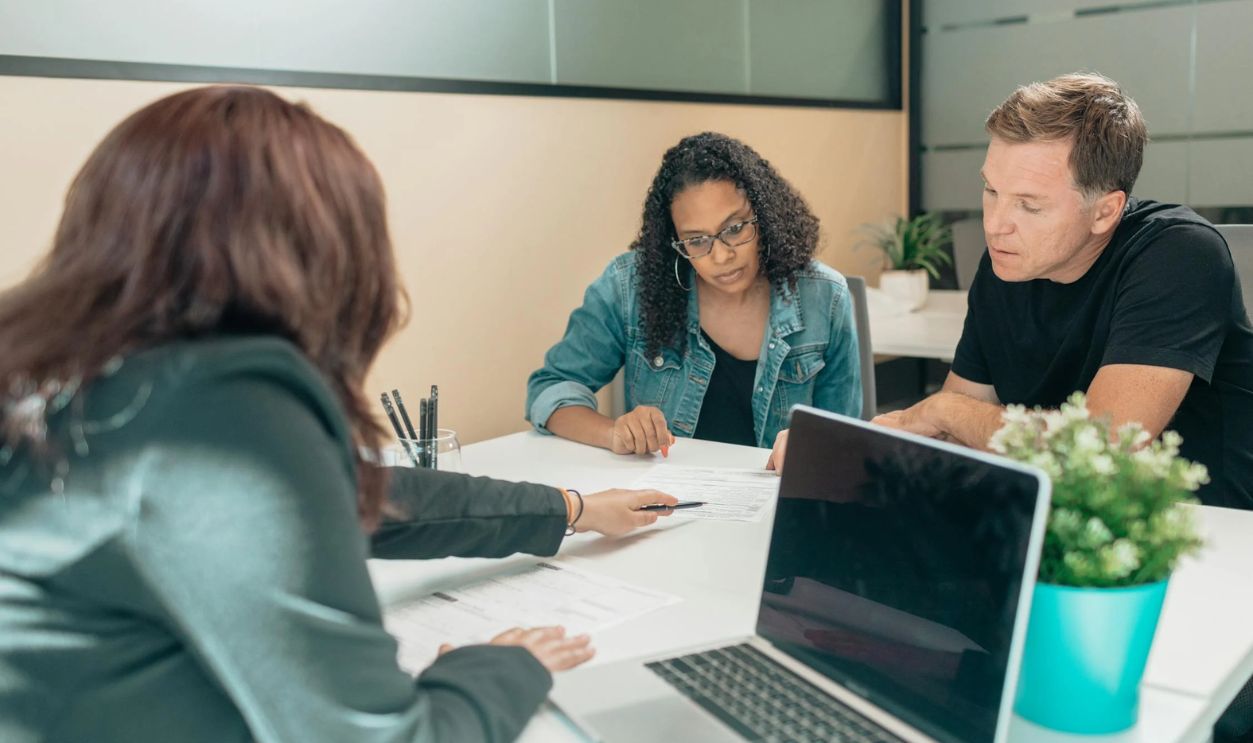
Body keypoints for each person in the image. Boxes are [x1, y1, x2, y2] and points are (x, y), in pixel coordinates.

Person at [0, 86, 677, 743]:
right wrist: (499, 664)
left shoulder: (80, 377)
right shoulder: (218, 400)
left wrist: (569, 508)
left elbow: (360, 493)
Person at [773, 73, 1253, 511]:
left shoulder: (1180, 253)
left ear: (1106, 212)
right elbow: (948, 439)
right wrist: (845, 448)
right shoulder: (1007, 266)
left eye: (1029, 205)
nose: (996, 224)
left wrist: (947, 410)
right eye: (991, 191)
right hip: (1063, 522)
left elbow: (1106, 446)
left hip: (1206, 535)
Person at [526, 132, 861, 457]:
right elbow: (551, 389)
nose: (721, 256)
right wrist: (614, 432)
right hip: (665, 505)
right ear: (675, 242)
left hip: (773, 503)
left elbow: (845, 435)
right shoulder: (630, 286)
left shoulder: (823, 296)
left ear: (766, 216)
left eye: (734, 229)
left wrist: (814, 448)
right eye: (697, 240)